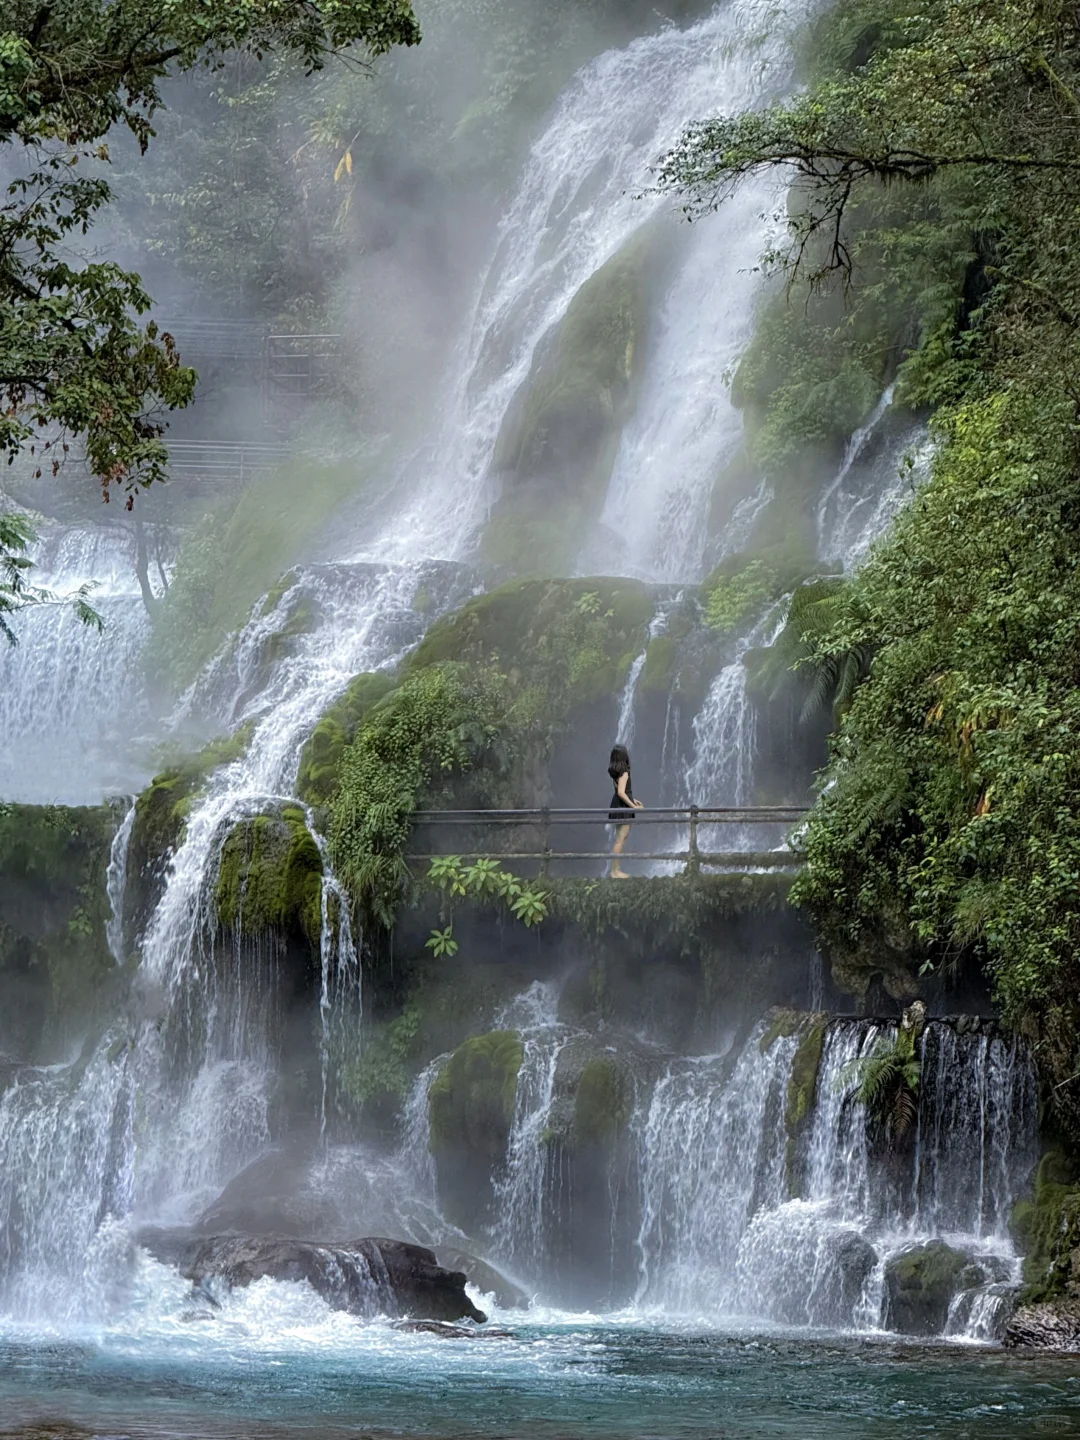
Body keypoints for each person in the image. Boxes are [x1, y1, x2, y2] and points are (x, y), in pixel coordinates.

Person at [607, 743, 643, 878]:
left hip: (617, 804)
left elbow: (619, 792)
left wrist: (633, 800)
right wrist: (633, 807)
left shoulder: (615, 772)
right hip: (623, 807)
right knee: (621, 839)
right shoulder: (624, 773)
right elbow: (622, 792)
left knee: (620, 838)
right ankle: (615, 872)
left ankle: (614, 870)